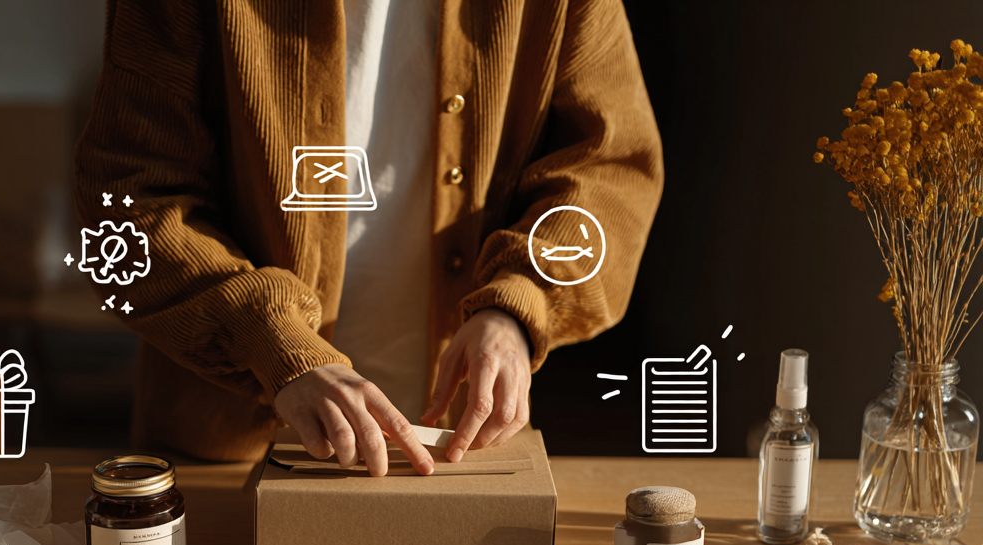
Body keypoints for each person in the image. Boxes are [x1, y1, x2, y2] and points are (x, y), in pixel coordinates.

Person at [75, 0, 662, 475]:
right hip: (223, 446)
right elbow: (126, 204)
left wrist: (519, 303)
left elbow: (612, 170)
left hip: (460, 448)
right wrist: (271, 341)